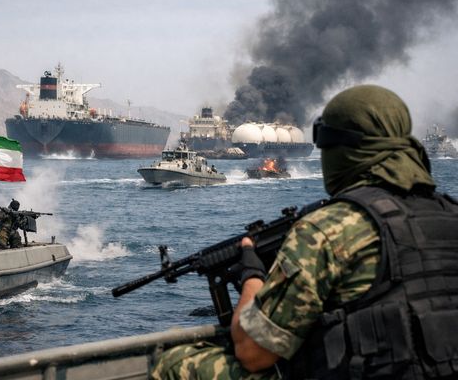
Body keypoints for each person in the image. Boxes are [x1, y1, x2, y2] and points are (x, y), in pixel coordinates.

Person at [151, 85, 458, 379]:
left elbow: (252, 352)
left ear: (342, 150)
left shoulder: (326, 230)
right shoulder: (449, 211)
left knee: (172, 362)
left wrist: (252, 275)